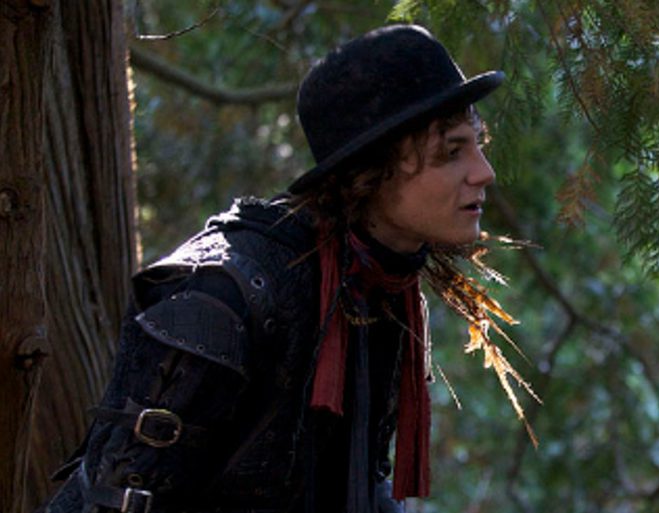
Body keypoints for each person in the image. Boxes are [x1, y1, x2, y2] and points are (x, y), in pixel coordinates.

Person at [41, 24, 517, 512]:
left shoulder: (378, 287)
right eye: (452, 152)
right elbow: (117, 500)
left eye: (477, 145)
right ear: (372, 168)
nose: (484, 172)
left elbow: (355, 486)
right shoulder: (226, 293)